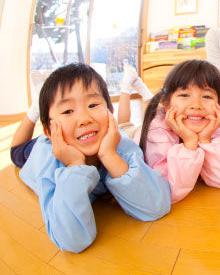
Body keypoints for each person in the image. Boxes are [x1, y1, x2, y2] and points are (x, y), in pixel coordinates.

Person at [17, 63, 171, 253]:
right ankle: (35, 109)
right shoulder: (47, 158)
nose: (84, 119)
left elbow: (156, 205)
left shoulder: (117, 140)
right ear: (49, 129)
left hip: (75, 136)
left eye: (93, 105)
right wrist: (74, 165)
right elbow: (72, 240)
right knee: (15, 151)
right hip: (37, 149)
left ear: (110, 112)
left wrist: (109, 155)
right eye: (67, 111)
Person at [138, 60, 220, 204]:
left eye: (207, 96)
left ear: (219, 104)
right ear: (166, 103)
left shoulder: (218, 123)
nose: (196, 105)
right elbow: (166, 191)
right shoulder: (158, 129)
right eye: (184, 95)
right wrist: (189, 144)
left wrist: (205, 139)